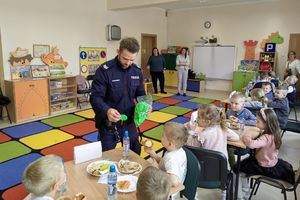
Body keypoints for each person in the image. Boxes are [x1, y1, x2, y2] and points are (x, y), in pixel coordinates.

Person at [90, 37, 146, 154]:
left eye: (132, 60)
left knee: (134, 155)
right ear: (118, 51)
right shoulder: (104, 71)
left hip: (130, 122)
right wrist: (107, 110)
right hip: (109, 124)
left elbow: (141, 94)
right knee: (106, 157)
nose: (128, 63)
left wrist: (145, 105)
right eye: (125, 58)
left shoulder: (137, 71)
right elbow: (95, 97)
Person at [234, 108, 295, 199]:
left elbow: (251, 144)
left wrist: (246, 135)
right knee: (243, 165)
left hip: (264, 166)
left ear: (266, 124)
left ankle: (239, 196)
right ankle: (246, 191)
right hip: (271, 161)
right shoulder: (275, 132)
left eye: (258, 122)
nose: (256, 123)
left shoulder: (266, 137)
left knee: (236, 170)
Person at [144, 122, 188, 190]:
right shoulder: (178, 150)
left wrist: (157, 169)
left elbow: (174, 182)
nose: (160, 137)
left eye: (163, 136)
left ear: (170, 144)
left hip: (166, 190)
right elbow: (164, 163)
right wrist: (153, 154)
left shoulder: (171, 158)